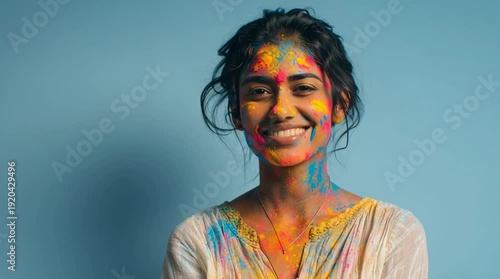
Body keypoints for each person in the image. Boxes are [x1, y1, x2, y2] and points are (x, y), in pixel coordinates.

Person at [162, 8, 428, 279]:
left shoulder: (390, 235)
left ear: (339, 105)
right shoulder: (198, 242)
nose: (281, 110)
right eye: (259, 91)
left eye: (303, 88)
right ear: (236, 113)